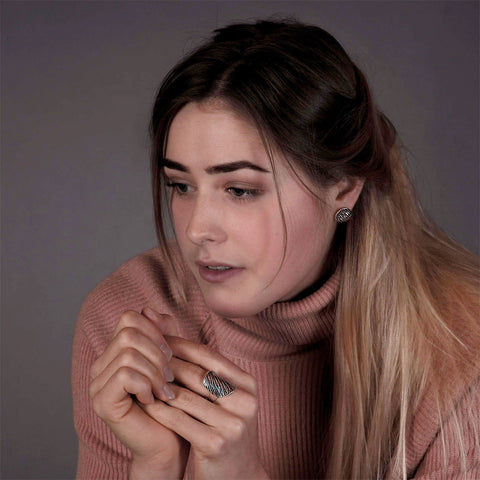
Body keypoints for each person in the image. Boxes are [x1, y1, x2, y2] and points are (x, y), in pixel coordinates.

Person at [72, 19, 480, 479]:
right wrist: (156, 465)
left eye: (240, 190)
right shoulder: (125, 322)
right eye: (181, 185)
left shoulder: (462, 350)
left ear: (343, 188)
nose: (196, 229)